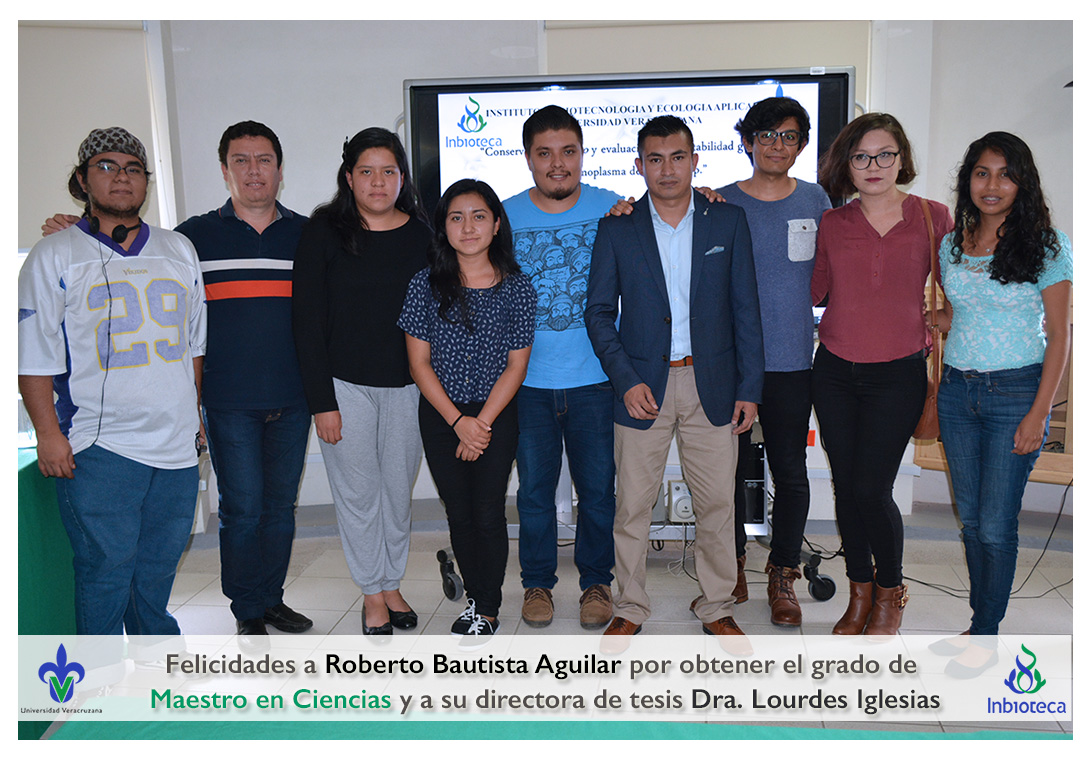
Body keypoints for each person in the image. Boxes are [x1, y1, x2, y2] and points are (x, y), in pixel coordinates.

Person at [41, 121, 315, 641]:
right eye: (241, 160)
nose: (254, 170)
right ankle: (246, 607)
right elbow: (129, 248)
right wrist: (74, 229)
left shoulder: (308, 235)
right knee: (242, 510)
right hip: (226, 400)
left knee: (280, 509)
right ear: (225, 170)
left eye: (264, 160)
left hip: (293, 396)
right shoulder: (193, 236)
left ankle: (271, 598)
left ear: (280, 170)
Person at [585, 115, 763, 650]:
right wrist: (625, 379)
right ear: (639, 165)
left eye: (678, 157)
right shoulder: (617, 227)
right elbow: (598, 313)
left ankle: (717, 606)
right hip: (641, 387)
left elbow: (746, 309)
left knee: (717, 507)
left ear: (695, 161)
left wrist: (749, 388)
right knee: (631, 508)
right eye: (655, 159)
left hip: (713, 385)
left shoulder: (726, 221)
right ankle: (630, 607)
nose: (667, 170)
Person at [19, 127, 206, 635]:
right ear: (82, 180)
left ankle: (153, 664)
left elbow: (193, 347)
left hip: (175, 447)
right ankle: (97, 682)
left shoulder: (178, 249)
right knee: (106, 571)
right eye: (106, 166)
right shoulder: (54, 254)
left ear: (146, 181)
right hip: (100, 448)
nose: (121, 177)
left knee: (157, 570)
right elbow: (32, 354)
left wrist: (194, 416)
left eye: (133, 168)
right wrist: (48, 434)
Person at [928, 132, 1071, 677]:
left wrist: (1040, 413)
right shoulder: (952, 244)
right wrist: (935, 320)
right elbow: (963, 313)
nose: (992, 185)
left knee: (995, 524)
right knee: (971, 523)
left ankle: (986, 637)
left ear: (1022, 182)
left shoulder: (1047, 246)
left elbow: (1059, 335)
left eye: (1006, 174)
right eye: (982, 172)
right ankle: (977, 626)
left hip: (1016, 394)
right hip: (958, 393)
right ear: (968, 179)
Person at [811, 112, 954, 636]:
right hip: (833, 371)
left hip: (898, 373)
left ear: (901, 158)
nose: (873, 165)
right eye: (861, 156)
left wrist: (945, 316)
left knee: (871, 488)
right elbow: (813, 290)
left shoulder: (933, 217)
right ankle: (859, 593)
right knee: (846, 488)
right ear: (847, 164)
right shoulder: (832, 222)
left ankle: (890, 592)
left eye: (884, 154)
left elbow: (964, 285)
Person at [292, 128, 430, 636]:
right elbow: (306, 321)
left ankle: (392, 583)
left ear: (402, 178)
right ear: (348, 178)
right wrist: (321, 401)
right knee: (358, 495)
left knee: (396, 493)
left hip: (409, 386)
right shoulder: (324, 231)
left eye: (388, 172)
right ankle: (372, 593)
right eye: (366, 171)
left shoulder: (423, 235)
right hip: (343, 386)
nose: (378, 182)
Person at [399, 179, 536, 641]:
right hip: (443, 415)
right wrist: (459, 422)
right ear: (444, 228)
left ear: (496, 224)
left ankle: (489, 606)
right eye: (456, 217)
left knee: (488, 512)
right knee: (459, 513)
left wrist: (481, 424)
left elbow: (517, 365)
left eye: (478, 216)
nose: (468, 226)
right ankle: (476, 598)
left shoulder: (517, 287)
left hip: (497, 413)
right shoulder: (424, 284)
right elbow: (418, 364)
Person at [502, 106, 620, 630]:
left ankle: (596, 582)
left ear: (582, 154)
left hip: (596, 380)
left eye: (568, 151)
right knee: (534, 494)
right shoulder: (503, 217)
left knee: (597, 492)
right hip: (526, 382)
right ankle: (537, 585)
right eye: (545, 153)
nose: (558, 164)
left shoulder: (613, 207)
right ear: (528, 158)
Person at [716, 97, 832, 626]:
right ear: (748, 142)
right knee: (727, 472)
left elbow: (831, 273)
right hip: (732, 362)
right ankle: (732, 564)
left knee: (790, 471)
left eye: (788, 136)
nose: (776, 145)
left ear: (801, 145)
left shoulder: (815, 199)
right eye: (765, 135)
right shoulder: (720, 201)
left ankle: (783, 571)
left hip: (791, 361)